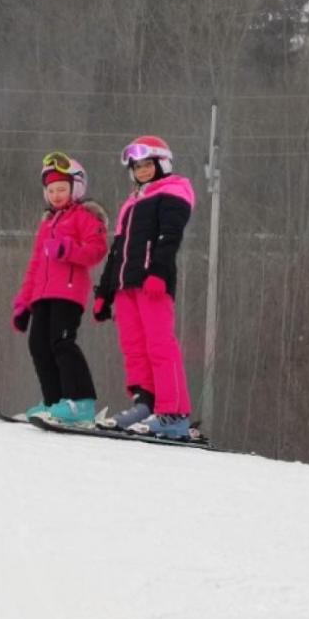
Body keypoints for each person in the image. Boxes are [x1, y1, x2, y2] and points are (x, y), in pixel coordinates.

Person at [92, 135, 196, 439]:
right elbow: (117, 250)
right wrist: (104, 293)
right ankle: (146, 403)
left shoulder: (174, 192)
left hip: (152, 282)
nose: (142, 170)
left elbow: (170, 237)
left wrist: (159, 273)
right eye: (137, 166)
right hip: (126, 286)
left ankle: (174, 411)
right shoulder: (131, 204)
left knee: (159, 345)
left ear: (162, 164)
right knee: (134, 348)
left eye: (148, 164)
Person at [10, 152, 109, 425]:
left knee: (61, 342)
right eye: (51, 190)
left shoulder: (84, 216)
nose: (56, 195)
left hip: (68, 293)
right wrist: (23, 303)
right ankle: (54, 402)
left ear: (75, 188)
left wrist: (67, 249)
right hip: (42, 295)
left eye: (62, 189)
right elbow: (34, 266)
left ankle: (81, 402)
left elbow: (97, 249)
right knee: (38, 344)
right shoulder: (47, 223)